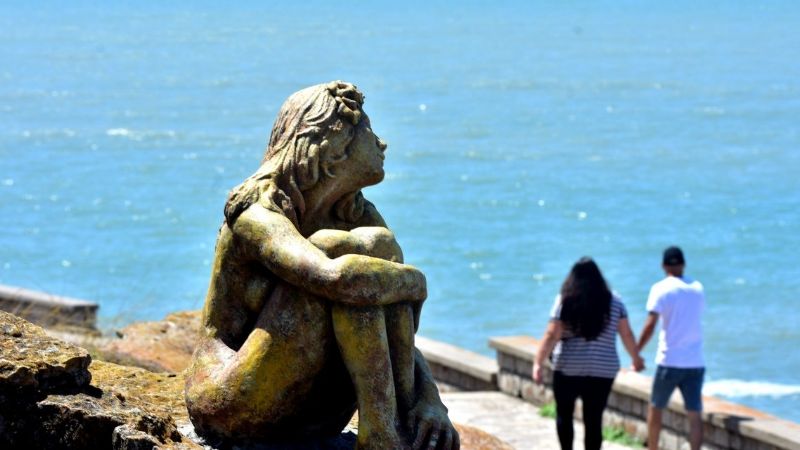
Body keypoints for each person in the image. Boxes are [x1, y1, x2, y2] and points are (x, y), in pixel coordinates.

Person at [185, 81, 458, 450]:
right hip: (233, 405)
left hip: (315, 414)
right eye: (369, 132)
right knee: (336, 255)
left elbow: (387, 317)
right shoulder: (257, 214)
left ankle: (392, 423)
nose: (382, 143)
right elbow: (335, 279)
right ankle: (380, 434)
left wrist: (429, 399)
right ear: (333, 144)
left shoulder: (358, 214)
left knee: (374, 250)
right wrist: (415, 283)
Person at [533, 257, 644, 450]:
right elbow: (626, 333)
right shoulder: (615, 301)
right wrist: (636, 358)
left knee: (564, 414)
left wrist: (538, 362)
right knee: (594, 419)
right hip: (603, 369)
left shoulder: (565, 300)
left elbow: (552, 335)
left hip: (568, 368)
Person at [637, 246, 705, 450]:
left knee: (656, 408)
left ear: (663, 265)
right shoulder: (697, 288)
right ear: (684, 264)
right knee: (694, 414)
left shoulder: (660, 288)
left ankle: (653, 448)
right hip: (695, 361)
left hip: (669, 360)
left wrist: (636, 351)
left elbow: (650, 325)